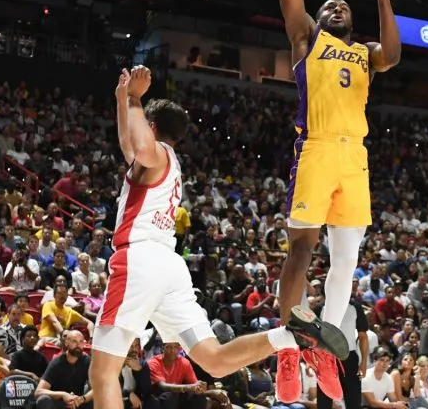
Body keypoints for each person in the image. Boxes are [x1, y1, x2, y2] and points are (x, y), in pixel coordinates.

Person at [89, 67, 349, 409]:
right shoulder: (167, 161)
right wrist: (123, 100)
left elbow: (138, 144)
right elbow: (130, 145)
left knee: (103, 373)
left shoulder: (156, 155)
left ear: (151, 128)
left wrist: (135, 98)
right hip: (169, 267)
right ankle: (286, 336)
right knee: (214, 359)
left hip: (140, 260)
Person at [270, 0, 402, 403]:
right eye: (331, 5)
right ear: (318, 19)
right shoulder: (307, 39)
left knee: (346, 259)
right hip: (319, 147)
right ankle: (285, 349)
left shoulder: (366, 52)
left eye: (345, 5)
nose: (338, 7)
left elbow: (392, 53)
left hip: (356, 157)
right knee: (302, 248)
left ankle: (323, 346)